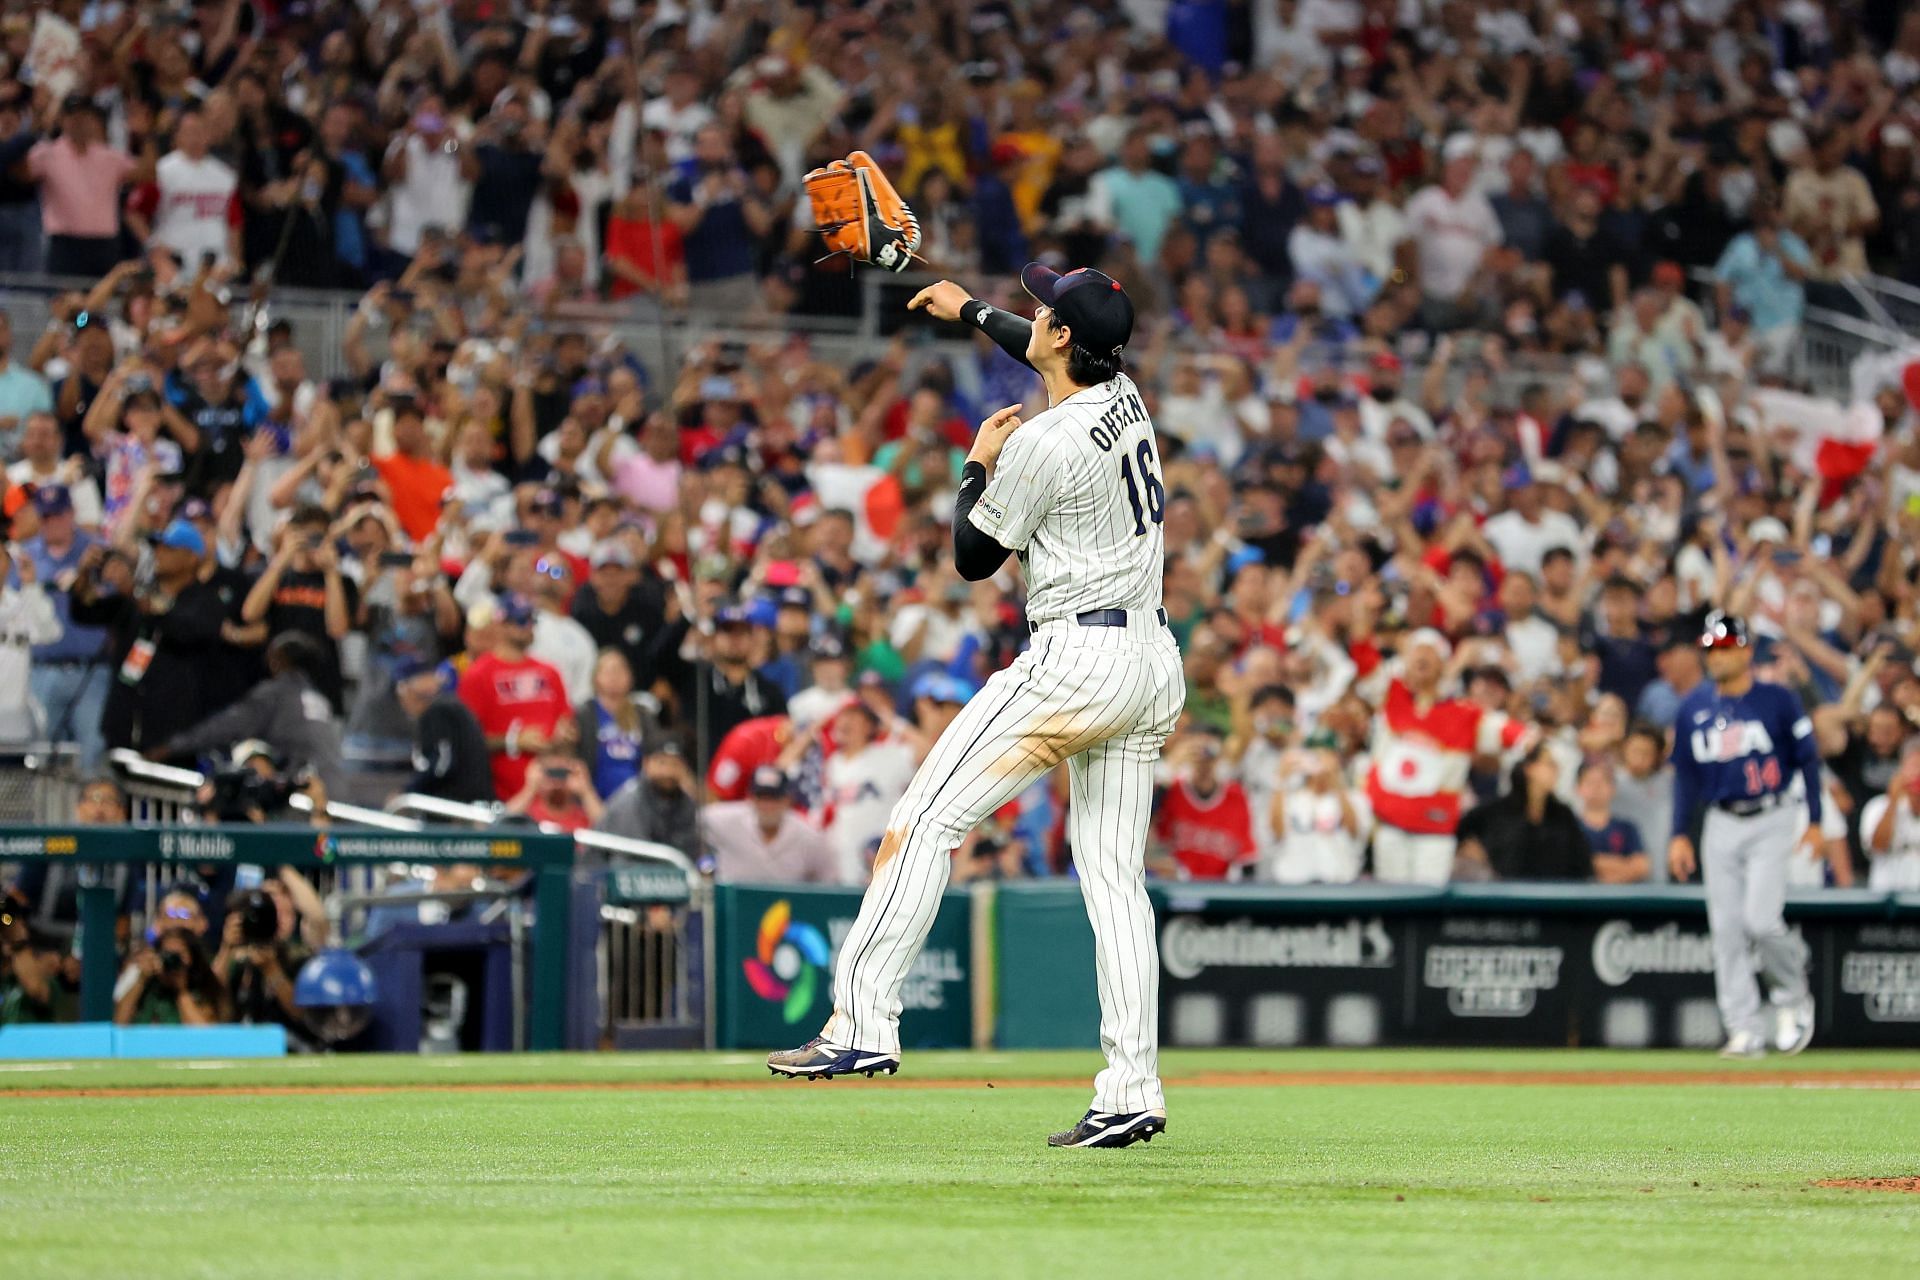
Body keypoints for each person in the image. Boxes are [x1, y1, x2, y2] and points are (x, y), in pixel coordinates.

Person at [769, 263, 1183, 1154]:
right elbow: (1046, 352)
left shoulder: (1041, 443)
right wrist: (970, 309)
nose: (1032, 315)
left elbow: (969, 559)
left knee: (920, 823)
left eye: (1043, 310)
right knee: (1116, 885)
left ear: (1065, 337)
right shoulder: (1126, 393)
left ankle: (861, 1026)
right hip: (1149, 656)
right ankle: (1131, 1088)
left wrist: (975, 464)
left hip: (1076, 661)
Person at [1667, 612, 1820, 1060]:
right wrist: (1678, 833)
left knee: (1761, 920)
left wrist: (1815, 820)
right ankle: (1744, 1027)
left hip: (1772, 815)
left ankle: (1793, 1000)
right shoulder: (1692, 707)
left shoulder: (1777, 699)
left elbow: (1808, 760)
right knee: (1727, 931)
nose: (1717, 656)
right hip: (1720, 821)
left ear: (1747, 650)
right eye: (1712, 648)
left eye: (1726, 647)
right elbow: (1685, 778)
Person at [1366, 630, 1527, 884]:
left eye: (1430, 652)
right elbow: (1363, 662)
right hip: (1389, 825)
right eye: (1417, 651)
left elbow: (1511, 734)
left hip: (1433, 831)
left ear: (1444, 666)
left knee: (1426, 903)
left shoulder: (1462, 714)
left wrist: (1532, 739)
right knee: (1390, 901)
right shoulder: (1390, 698)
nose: (1422, 657)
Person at [67, 520, 225, 754]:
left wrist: (141, 599)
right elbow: (85, 612)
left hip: (174, 733)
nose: (159, 553)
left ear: (192, 558)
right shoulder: (138, 596)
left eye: (169, 548)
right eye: (157, 547)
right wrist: (83, 574)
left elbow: (186, 631)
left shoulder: (206, 601)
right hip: (123, 724)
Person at [147, 631, 344, 791]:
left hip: (302, 798)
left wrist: (171, 747)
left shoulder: (275, 694)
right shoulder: (319, 698)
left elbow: (224, 727)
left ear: (278, 659)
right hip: (336, 792)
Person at [457, 593, 574, 800]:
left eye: (532, 620)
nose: (528, 626)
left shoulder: (550, 671)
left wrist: (563, 735)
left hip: (551, 794)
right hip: (501, 794)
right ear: (500, 625)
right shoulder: (478, 675)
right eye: (521, 620)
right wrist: (514, 741)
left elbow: (566, 722)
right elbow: (465, 741)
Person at [1457, 744, 1593, 880]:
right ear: (1529, 768)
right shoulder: (1493, 812)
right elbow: (1459, 839)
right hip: (1502, 895)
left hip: (1553, 895)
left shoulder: (1563, 815)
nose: (1556, 770)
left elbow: (1582, 863)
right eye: (1549, 764)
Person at [699, 766, 838, 883]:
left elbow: (829, 882)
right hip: (735, 910)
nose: (767, 805)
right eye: (761, 798)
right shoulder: (725, 821)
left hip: (789, 912)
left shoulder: (808, 836)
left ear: (787, 800)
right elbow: (693, 818)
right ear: (751, 799)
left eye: (774, 798)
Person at [1151, 733, 1257, 880]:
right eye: (1195, 751)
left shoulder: (1235, 795)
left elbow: (1247, 860)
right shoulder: (1171, 789)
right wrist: (1170, 768)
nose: (1203, 761)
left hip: (1219, 890)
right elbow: (1145, 818)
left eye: (1209, 751)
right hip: (1174, 887)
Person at [1267, 732, 1370, 884]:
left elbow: (1354, 832)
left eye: (1326, 755)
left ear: (1338, 759)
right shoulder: (1290, 798)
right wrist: (1281, 779)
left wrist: (1336, 781)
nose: (1319, 761)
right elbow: (1277, 833)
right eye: (1314, 755)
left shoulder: (1355, 798)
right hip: (1294, 885)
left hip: (1339, 885)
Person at [394, 659, 495, 804]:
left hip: (458, 809)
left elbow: (442, 765)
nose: (403, 703)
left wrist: (406, 792)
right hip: (470, 804)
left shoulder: (438, 711)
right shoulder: (449, 707)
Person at [0, 539, 63, 742]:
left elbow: (51, 632)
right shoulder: (14, 608)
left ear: (8, 563)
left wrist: (31, 585)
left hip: (14, 719)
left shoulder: (21, 602)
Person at [573, 649, 649, 800]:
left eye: (620, 670)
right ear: (595, 678)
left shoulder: (643, 714)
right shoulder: (583, 714)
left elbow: (653, 753)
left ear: (630, 677)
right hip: (595, 795)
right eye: (608, 671)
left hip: (636, 799)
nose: (614, 676)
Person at [113, 927, 226, 1026]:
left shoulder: (204, 990)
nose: (172, 960)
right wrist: (141, 979)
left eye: (178, 955)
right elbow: (119, 1024)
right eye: (167, 953)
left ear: (192, 957)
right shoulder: (147, 990)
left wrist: (181, 991)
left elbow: (204, 1037)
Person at [1574, 760, 1651, 884]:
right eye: (1590, 782)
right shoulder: (1569, 828)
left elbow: (1641, 867)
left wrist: (1597, 868)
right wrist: (1622, 864)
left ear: (1613, 788)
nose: (1596, 788)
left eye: (1602, 782)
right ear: (1578, 788)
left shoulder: (1627, 828)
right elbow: (1570, 864)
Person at [1858, 740, 1920, 892]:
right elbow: (1878, 846)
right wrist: (1892, 802)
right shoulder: (1877, 806)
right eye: (1914, 767)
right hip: (1885, 902)